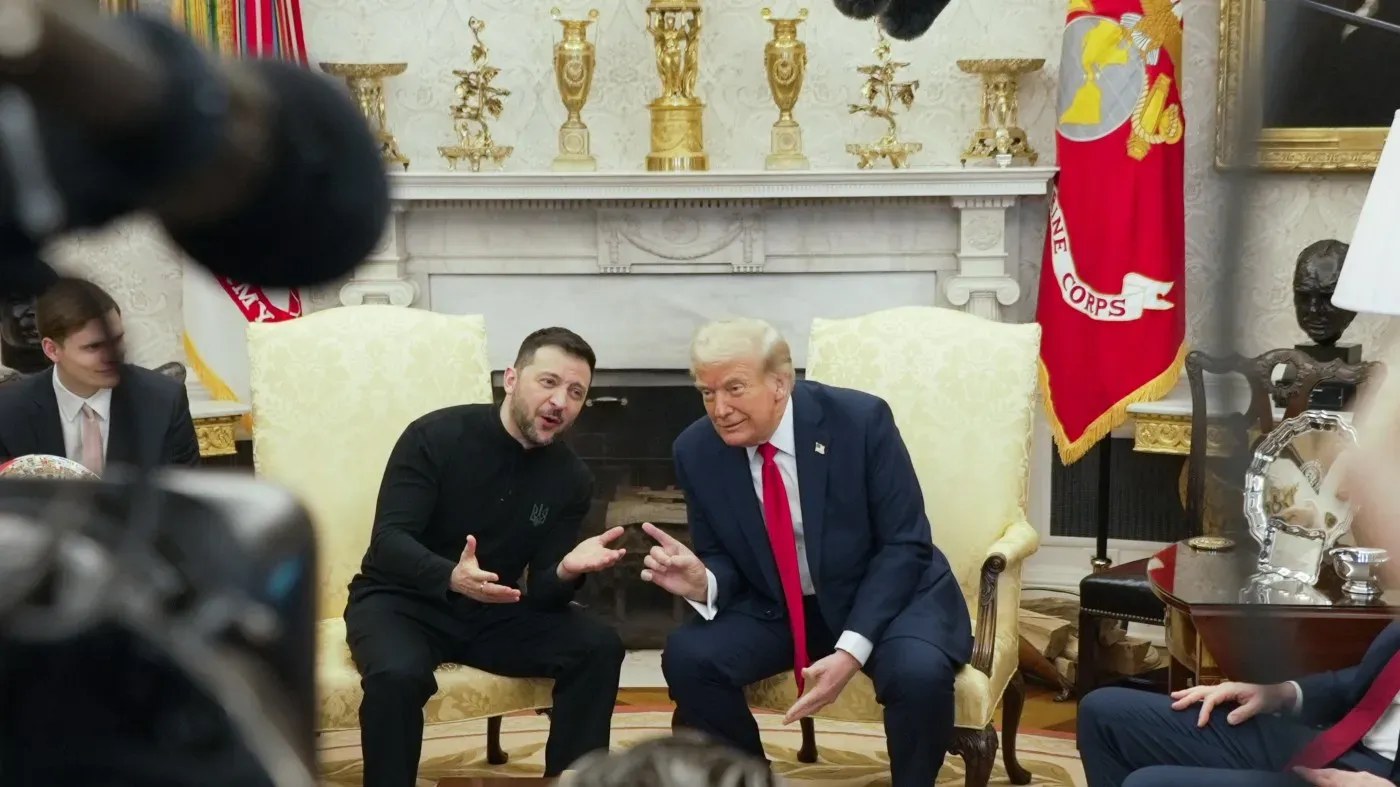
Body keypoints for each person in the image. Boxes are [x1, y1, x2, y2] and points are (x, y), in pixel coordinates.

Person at [641, 317, 971, 787]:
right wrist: (704, 581)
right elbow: (720, 555)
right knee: (689, 656)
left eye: (734, 388)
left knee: (917, 674)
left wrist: (850, 652)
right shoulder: (696, 450)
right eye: (707, 392)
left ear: (780, 383)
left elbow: (905, 544)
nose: (720, 409)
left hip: (884, 595)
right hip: (781, 603)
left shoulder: (860, 421)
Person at [344, 327, 626, 787]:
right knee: (397, 675)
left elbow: (544, 594)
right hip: (401, 602)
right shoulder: (434, 436)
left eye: (576, 392)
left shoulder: (571, 477)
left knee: (598, 645)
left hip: (492, 610)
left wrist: (565, 571)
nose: (560, 401)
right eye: (548, 382)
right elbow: (389, 541)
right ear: (511, 379)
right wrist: (450, 576)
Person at [1078, 622, 1400, 787]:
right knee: (1101, 713)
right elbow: (1363, 679)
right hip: (1338, 739)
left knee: (1146, 784)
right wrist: (1278, 693)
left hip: (1375, 776)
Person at [0, 276, 200, 470]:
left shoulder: (164, 401)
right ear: (52, 350)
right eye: (93, 347)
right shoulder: (8, 410)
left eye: (117, 340)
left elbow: (186, 488)